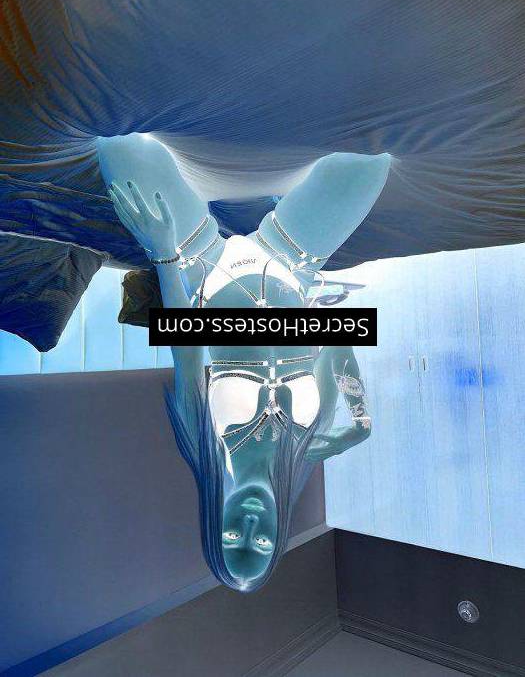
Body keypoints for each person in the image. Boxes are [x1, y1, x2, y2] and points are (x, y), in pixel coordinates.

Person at [97, 133, 390, 591]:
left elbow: (186, 347)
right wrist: (360, 419)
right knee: (372, 162)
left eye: (233, 536)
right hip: (290, 260)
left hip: (204, 267)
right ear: (278, 536)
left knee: (118, 146)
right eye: (262, 541)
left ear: (215, 525)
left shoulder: (202, 444)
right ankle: (278, 205)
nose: (251, 525)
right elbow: (335, 336)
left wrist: (162, 251)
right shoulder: (307, 448)